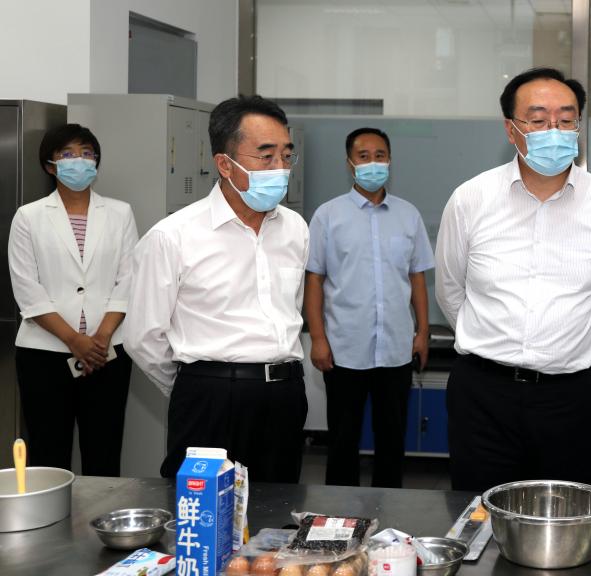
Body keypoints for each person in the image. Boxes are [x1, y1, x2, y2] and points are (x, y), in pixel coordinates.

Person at [435, 67, 591, 492]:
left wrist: (561, 343)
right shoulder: (470, 199)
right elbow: (451, 290)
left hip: (568, 398)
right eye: (539, 120)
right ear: (511, 129)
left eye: (566, 119)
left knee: (564, 513)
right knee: (478, 512)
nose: (554, 131)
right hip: (483, 394)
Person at [124, 95, 309, 483]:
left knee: (278, 507)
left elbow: (291, 308)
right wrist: (200, 382)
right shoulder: (173, 236)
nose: (280, 168)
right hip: (210, 398)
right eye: (266, 156)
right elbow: (143, 337)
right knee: (202, 509)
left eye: (286, 156)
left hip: (285, 395)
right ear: (225, 164)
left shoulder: (295, 228)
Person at [305, 127, 434, 488]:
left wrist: (422, 332)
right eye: (364, 156)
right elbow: (314, 280)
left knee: (392, 439)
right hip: (344, 349)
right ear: (350, 163)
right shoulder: (328, 216)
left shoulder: (408, 215)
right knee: (342, 439)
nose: (373, 163)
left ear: (390, 160)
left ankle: (388, 508)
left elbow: (417, 278)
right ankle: (339, 512)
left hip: (395, 349)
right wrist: (318, 338)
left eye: (380, 155)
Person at [8, 123, 138, 475]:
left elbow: (128, 279)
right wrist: (74, 340)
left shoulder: (120, 213)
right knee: (49, 452)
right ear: (50, 165)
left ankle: (103, 513)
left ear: (96, 162)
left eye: (86, 153)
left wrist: (101, 337)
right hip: (44, 353)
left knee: (104, 450)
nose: (78, 161)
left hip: (107, 351)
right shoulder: (29, 217)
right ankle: (52, 513)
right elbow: (27, 288)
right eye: (67, 154)